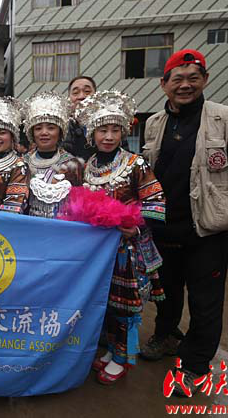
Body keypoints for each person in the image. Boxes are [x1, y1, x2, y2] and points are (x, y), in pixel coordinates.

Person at [141, 49, 228, 395]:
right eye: (177, 79)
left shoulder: (227, 120)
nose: (185, 85)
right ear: (164, 84)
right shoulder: (154, 123)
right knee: (164, 293)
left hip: (206, 229)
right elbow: (146, 174)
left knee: (205, 302)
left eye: (193, 78)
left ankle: (194, 366)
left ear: (205, 80)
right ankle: (166, 335)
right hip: (163, 228)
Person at [77, 90, 166, 384]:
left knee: (124, 304)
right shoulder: (89, 166)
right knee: (104, 301)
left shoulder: (135, 164)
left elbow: (156, 202)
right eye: (102, 130)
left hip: (126, 248)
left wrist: (136, 228)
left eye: (115, 130)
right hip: (97, 249)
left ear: (124, 132)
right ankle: (112, 350)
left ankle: (122, 357)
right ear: (92, 133)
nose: (108, 136)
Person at [23, 91, 83, 218]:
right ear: (32, 133)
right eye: (38, 128)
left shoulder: (72, 164)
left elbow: (77, 204)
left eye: (51, 128)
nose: (44, 133)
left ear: (60, 132)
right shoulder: (23, 162)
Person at [62, 76, 97, 160]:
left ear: (96, 96)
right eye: (75, 92)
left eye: (87, 91)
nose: (81, 96)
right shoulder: (61, 128)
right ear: (69, 99)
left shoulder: (109, 123)